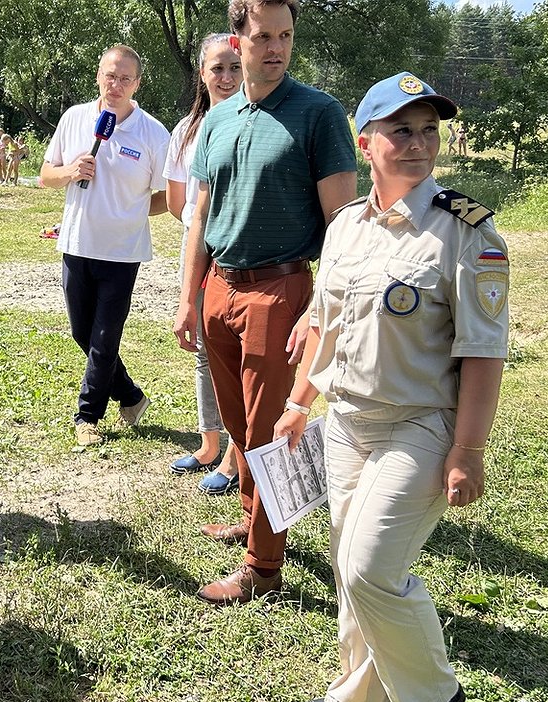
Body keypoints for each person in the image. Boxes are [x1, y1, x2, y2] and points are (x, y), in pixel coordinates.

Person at [277, 71, 506, 702]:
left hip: (422, 426)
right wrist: (300, 402)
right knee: (352, 573)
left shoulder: (467, 231)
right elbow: (325, 321)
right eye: (400, 130)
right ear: (365, 141)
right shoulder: (347, 225)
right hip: (348, 424)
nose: (418, 143)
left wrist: (469, 449)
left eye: (429, 130)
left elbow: (483, 353)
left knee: (369, 570)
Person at [173, 0, 357, 604]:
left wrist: (317, 305)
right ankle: (256, 515)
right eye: (263, 36)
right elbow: (199, 214)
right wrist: (187, 298)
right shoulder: (218, 120)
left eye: (285, 35)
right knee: (235, 423)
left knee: (269, 431)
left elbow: (344, 223)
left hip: (282, 289)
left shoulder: (319, 114)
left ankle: (263, 568)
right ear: (238, 38)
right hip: (219, 285)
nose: (275, 47)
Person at [40, 44, 170, 446]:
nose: (116, 85)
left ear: (137, 84)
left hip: (123, 251)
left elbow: (167, 194)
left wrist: (131, 211)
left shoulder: (152, 132)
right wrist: (69, 171)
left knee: (104, 337)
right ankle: (130, 396)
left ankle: (87, 417)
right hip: (77, 243)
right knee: (83, 331)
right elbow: (45, 174)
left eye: (125, 78)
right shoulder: (76, 118)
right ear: (99, 75)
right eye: (110, 76)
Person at [162, 32, 242, 493]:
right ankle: (209, 443)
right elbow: (179, 201)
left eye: (235, 67)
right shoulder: (186, 131)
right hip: (199, 253)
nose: (227, 77)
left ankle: (234, 454)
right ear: (202, 72)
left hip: (240, 255)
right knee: (202, 352)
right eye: (218, 68)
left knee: (233, 353)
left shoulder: (252, 120)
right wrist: (200, 237)